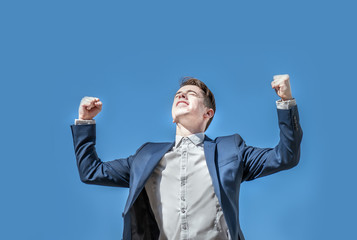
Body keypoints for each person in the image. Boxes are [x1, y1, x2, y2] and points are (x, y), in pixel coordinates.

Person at [70, 75, 303, 240]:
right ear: (172, 116)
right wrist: (85, 121)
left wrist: (286, 102)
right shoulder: (145, 156)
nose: (181, 95)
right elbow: (90, 171)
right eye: (178, 94)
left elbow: (285, 156)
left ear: (208, 113)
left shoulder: (231, 150)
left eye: (191, 94)